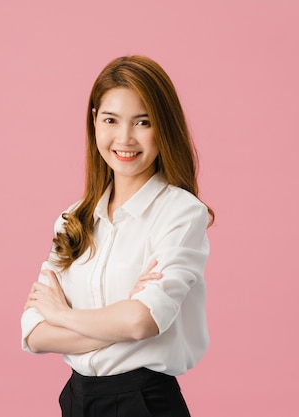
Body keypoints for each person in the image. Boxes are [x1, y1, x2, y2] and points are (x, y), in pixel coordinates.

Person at [21, 55, 214, 417]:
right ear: (94, 120)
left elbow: (142, 322)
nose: (125, 138)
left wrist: (61, 314)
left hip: (142, 401)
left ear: (164, 126)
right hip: (76, 400)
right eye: (111, 120)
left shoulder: (181, 213)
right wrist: (118, 321)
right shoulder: (72, 218)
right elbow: (33, 333)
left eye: (143, 122)